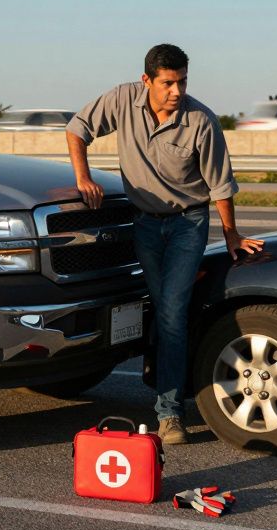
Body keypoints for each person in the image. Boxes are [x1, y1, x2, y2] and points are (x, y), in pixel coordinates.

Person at [65, 44, 264, 445]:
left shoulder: (201, 121)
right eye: (168, 83)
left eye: (183, 81)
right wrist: (83, 178)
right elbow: (76, 128)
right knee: (161, 308)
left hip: (186, 224)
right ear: (147, 81)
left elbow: (220, 186)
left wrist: (231, 234)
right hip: (142, 225)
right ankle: (159, 369)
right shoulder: (122, 99)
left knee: (172, 311)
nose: (177, 91)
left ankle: (170, 413)